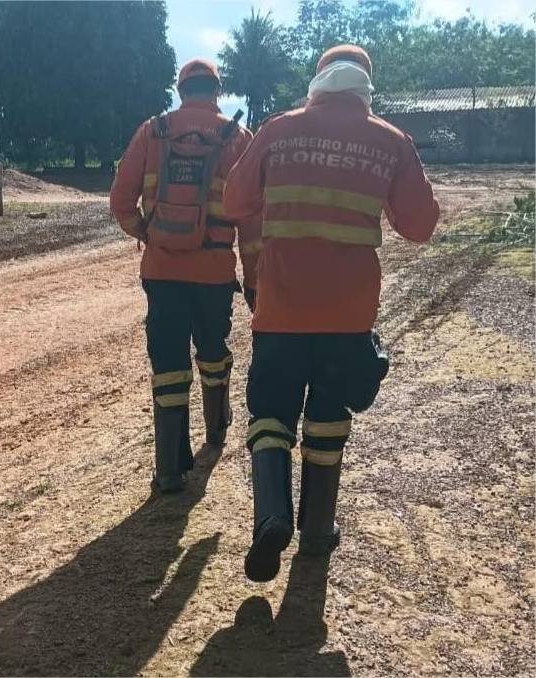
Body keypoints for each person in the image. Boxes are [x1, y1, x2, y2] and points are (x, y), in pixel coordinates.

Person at [223, 45, 439, 582]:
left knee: (270, 414)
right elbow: (420, 226)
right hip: (348, 314)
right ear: (366, 85)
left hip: (280, 308)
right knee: (329, 413)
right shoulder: (391, 140)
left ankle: (272, 517)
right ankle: (317, 532)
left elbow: (234, 202)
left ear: (318, 81)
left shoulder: (278, 129)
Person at [110, 58, 258, 493]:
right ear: (217, 91)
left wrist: (146, 232)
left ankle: (170, 470)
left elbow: (120, 201)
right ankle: (217, 429)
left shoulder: (152, 131)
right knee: (212, 349)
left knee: (168, 363)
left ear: (180, 91)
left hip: (162, 270)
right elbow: (252, 221)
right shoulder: (238, 137)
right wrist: (253, 279)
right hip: (214, 271)